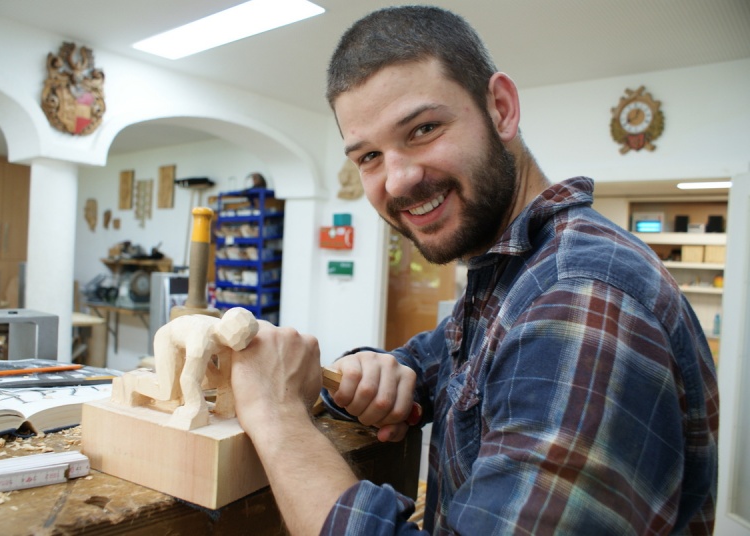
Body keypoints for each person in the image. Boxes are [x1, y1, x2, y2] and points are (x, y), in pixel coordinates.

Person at [228, 6, 719, 535]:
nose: (396, 180)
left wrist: (278, 419)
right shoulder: (513, 272)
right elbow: (435, 360)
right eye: (368, 156)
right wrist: (377, 372)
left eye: (423, 129)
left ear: (501, 109)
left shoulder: (580, 297)